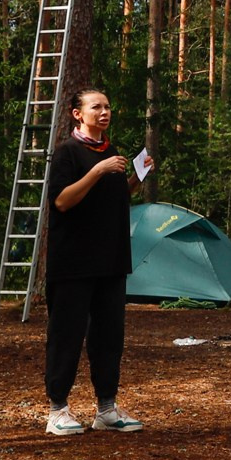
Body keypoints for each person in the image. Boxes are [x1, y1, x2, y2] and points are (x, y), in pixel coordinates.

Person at [42, 88, 150, 437]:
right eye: (96, 107)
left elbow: (117, 196)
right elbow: (61, 201)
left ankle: (106, 408)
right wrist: (98, 171)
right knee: (67, 336)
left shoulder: (111, 152)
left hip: (111, 259)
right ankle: (57, 410)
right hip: (73, 261)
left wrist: (136, 178)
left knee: (109, 337)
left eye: (107, 106)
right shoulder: (67, 153)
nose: (104, 112)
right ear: (77, 114)